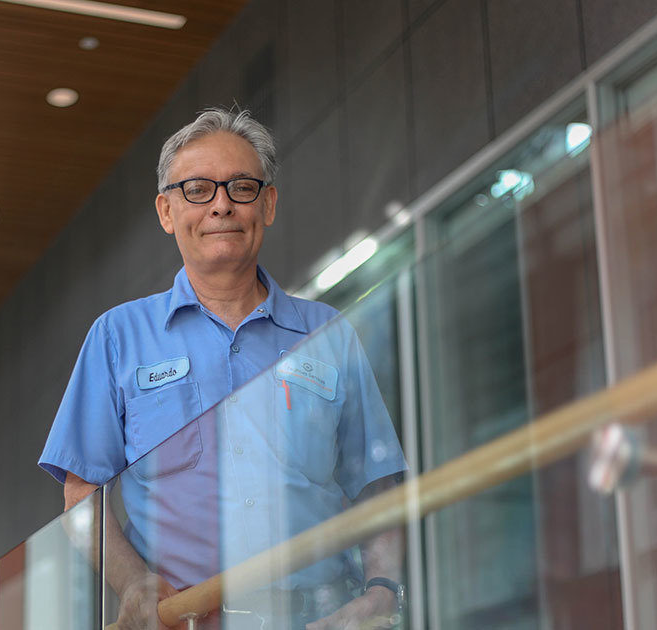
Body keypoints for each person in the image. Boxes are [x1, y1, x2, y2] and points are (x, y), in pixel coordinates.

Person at [39, 108, 406, 629]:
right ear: (166, 212)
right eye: (197, 190)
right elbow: (81, 494)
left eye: (241, 187)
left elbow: (377, 484)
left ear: (269, 204)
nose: (222, 205)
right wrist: (134, 583)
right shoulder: (118, 337)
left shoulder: (328, 333)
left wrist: (383, 590)